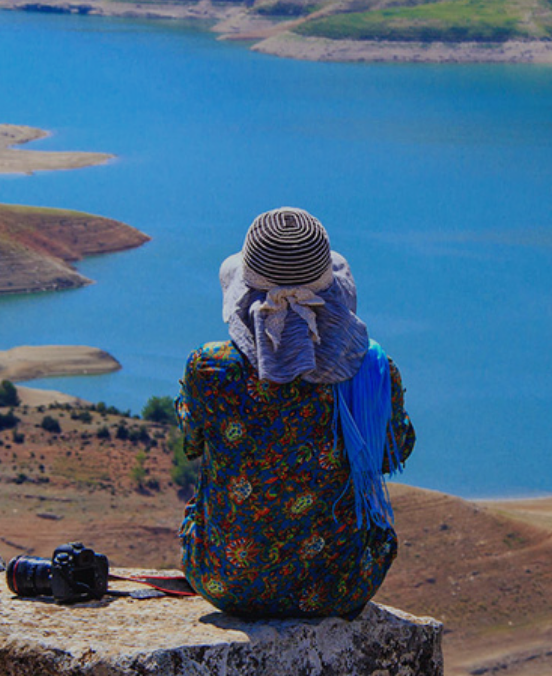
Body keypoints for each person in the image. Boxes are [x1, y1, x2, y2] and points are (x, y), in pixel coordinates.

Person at [177, 207, 416, 618]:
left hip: (226, 580)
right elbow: (393, 452)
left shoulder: (210, 368)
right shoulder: (372, 370)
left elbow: (192, 443)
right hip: (340, 586)